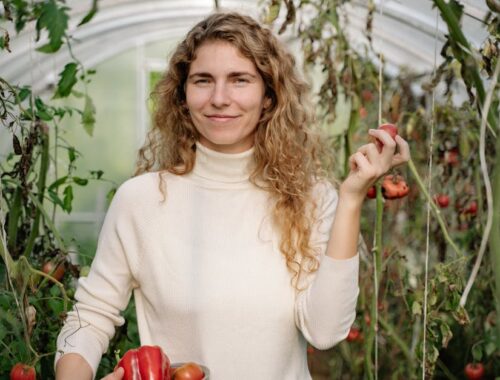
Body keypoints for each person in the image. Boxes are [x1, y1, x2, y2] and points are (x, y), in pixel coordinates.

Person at [55, 11, 409, 380]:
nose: (219, 98)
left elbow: (325, 332)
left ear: (269, 97)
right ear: (183, 95)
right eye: (203, 80)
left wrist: (351, 198)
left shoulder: (311, 197)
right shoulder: (141, 201)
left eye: (240, 80)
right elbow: (90, 318)